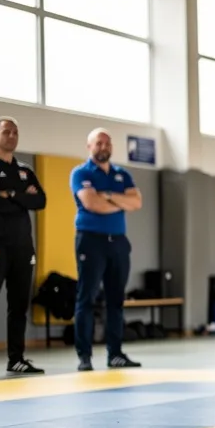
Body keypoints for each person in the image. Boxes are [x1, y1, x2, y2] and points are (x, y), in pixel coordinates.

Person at [0, 116, 46, 378]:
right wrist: (23, 197)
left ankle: (16, 358)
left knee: (19, 306)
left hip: (23, 247)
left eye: (15, 131)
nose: (12, 135)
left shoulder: (25, 170)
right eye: (6, 131)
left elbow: (41, 201)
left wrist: (11, 194)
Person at [69, 128, 143, 372]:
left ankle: (116, 354)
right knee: (87, 298)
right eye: (99, 143)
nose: (104, 147)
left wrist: (109, 195)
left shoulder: (122, 174)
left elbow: (137, 202)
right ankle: (85, 356)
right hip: (91, 241)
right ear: (89, 146)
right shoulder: (80, 173)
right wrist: (120, 202)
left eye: (107, 143)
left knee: (116, 300)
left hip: (118, 242)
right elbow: (92, 204)